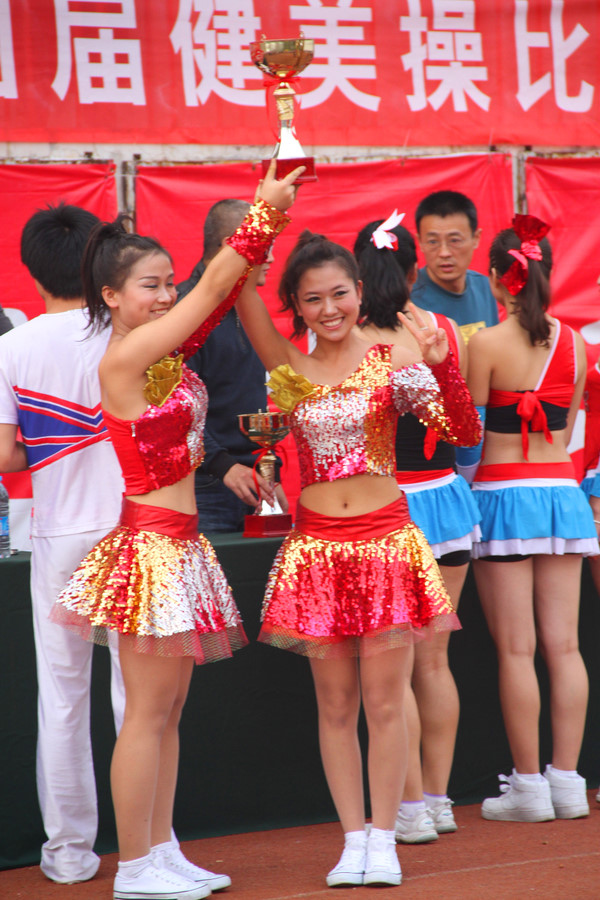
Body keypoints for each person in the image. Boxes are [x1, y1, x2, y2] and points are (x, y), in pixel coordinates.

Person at [50, 164, 299, 900]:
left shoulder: (166, 355)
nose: (165, 294)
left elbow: (217, 295)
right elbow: (211, 289)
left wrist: (260, 236)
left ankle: (161, 848)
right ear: (110, 296)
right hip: (152, 549)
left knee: (168, 714)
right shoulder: (126, 356)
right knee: (146, 714)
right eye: (150, 285)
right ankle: (134, 865)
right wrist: (261, 215)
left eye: (168, 283)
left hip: (181, 547)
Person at [235, 230, 482, 888]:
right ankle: (352, 840)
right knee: (337, 707)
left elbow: (464, 433)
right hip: (317, 550)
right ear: (295, 304)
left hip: (386, 544)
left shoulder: (393, 357)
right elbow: (238, 287)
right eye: (312, 298)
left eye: (339, 293)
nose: (329, 308)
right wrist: (265, 215)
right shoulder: (287, 365)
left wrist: (443, 369)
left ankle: (384, 837)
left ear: (360, 291)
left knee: (386, 703)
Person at [0, 203, 126, 885]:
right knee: (139, 696)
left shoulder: (12, 346)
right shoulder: (126, 328)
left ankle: (70, 853)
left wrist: (52, 445)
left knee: (63, 695)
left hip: (58, 532)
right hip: (129, 526)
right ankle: (150, 844)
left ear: (31, 268)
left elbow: (6, 457)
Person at [353, 213, 481, 845]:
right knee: (433, 660)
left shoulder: (350, 341)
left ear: (354, 277)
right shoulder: (444, 332)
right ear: (413, 270)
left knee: (393, 666)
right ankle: (438, 799)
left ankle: (409, 807)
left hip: (389, 508)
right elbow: (466, 429)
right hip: (450, 503)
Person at [467, 214, 598, 823]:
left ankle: (528, 787)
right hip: (562, 495)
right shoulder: (576, 344)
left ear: (499, 279)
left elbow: (468, 437)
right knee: (565, 646)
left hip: (502, 496)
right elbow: (565, 432)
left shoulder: (485, 344)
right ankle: (567, 781)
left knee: (517, 651)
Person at [178, 198, 287, 532]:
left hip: (252, 480)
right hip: (205, 486)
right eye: (263, 247)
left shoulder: (246, 303)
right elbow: (174, 410)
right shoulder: (184, 310)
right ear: (233, 246)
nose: (271, 258)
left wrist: (270, 473)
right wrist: (222, 465)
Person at [411, 190, 499, 345]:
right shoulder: (409, 298)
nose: (444, 253)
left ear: (476, 238)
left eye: (454, 240)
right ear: (420, 242)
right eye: (433, 242)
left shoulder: (487, 287)